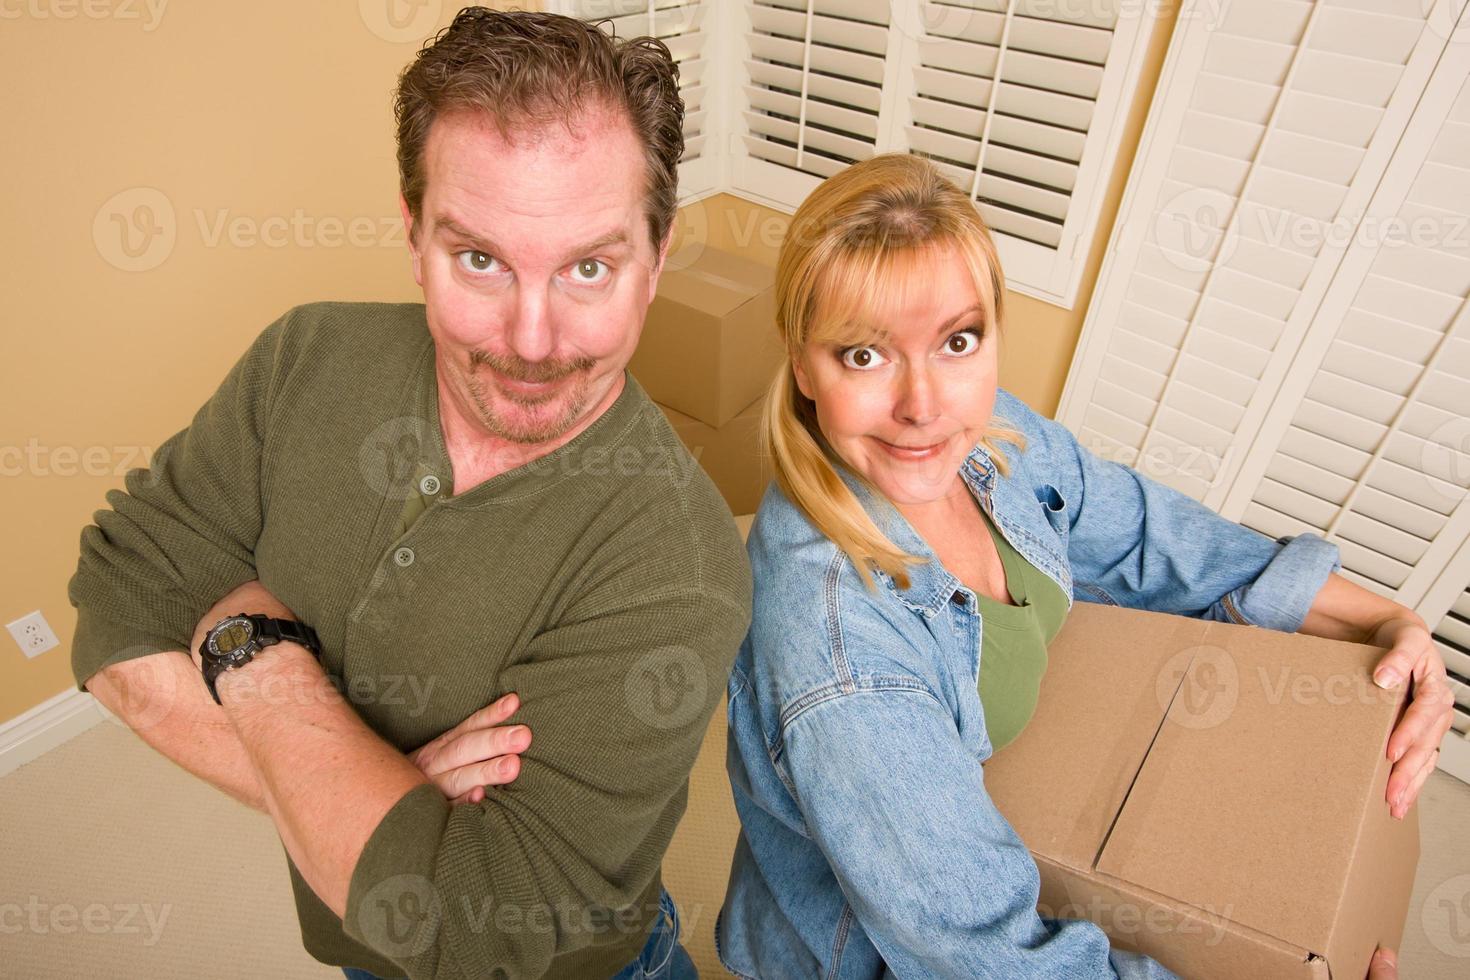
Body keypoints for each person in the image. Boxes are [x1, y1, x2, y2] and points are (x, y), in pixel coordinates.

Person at [68, 9, 749, 980]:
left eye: (589, 266)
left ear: (657, 259)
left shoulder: (680, 561)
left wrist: (247, 645)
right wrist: (379, 806)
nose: (531, 339)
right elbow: (119, 602)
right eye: (479, 257)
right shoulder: (304, 354)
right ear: (414, 236)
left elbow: (468, 924)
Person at [715, 153, 1451, 978]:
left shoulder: (993, 442)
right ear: (802, 360)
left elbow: (1145, 536)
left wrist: (1388, 627)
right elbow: (994, 957)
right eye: (865, 356)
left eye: (958, 341)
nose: (924, 406)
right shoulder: (840, 652)